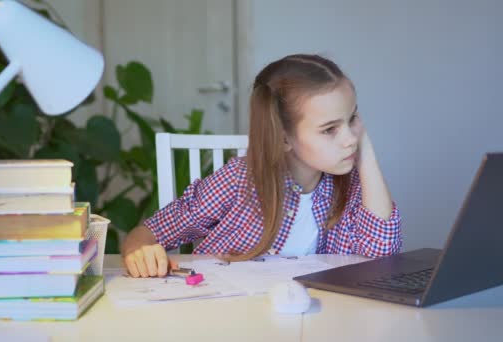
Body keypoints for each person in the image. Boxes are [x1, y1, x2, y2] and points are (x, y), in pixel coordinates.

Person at [122, 54, 402, 278]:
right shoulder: (239, 179)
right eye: (330, 129)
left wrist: (365, 153)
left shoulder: (349, 183)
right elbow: (147, 233)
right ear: (283, 138)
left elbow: (381, 253)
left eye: (352, 118)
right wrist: (139, 252)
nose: (349, 139)